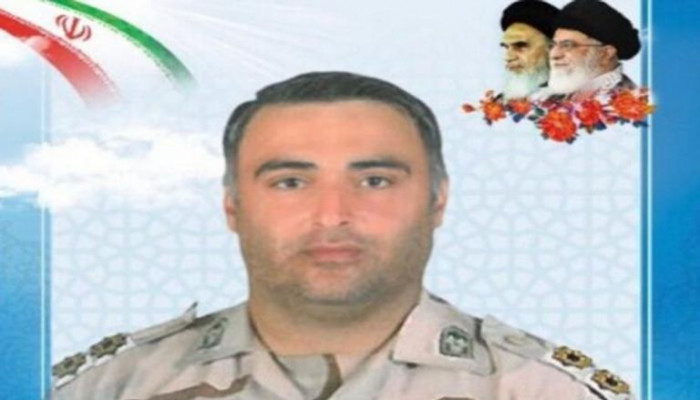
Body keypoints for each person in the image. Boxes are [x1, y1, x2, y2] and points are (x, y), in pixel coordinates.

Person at [51, 71, 634, 400]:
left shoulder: (543, 391)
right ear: (232, 205)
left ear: (437, 200)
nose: (332, 215)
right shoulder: (110, 387)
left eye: (375, 180)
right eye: (290, 182)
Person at [542, 0, 640, 101]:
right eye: (552, 45)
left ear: (606, 54)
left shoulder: (630, 101)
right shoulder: (553, 98)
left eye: (567, 45)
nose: (554, 54)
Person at [499, 0, 559, 100]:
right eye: (506, 47)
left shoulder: (580, 101)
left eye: (520, 45)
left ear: (553, 48)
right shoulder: (500, 103)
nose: (508, 57)